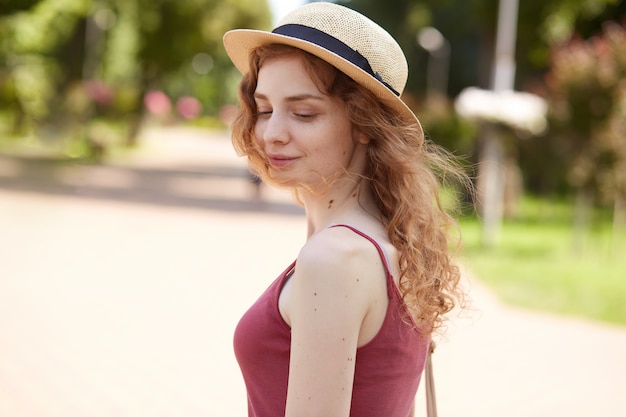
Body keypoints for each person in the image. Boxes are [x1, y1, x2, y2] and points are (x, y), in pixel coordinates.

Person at [223, 3, 467, 416]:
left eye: (303, 113)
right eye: (265, 109)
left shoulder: (334, 258)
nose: (272, 132)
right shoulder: (387, 238)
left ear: (363, 124)